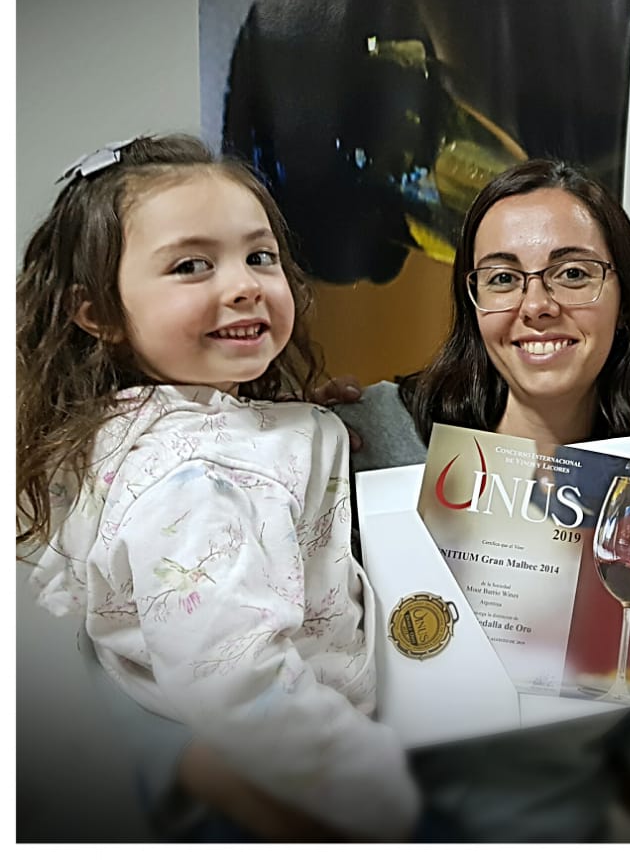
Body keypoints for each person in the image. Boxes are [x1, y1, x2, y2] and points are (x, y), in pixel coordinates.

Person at [62, 157, 630, 842]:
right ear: (473, 299)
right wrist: (192, 767)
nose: (537, 305)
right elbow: (146, 612)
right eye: (503, 278)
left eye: (573, 273)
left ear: (624, 298)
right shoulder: (369, 434)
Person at [16, 134, 420, 841]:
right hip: (301, 787)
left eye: (259, 256)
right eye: (190, 265)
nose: (244, 285)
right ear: (97, 312)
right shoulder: (198, 479)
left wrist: (301, 426)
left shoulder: (162, 432)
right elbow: (237, 678)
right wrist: (388, 798)